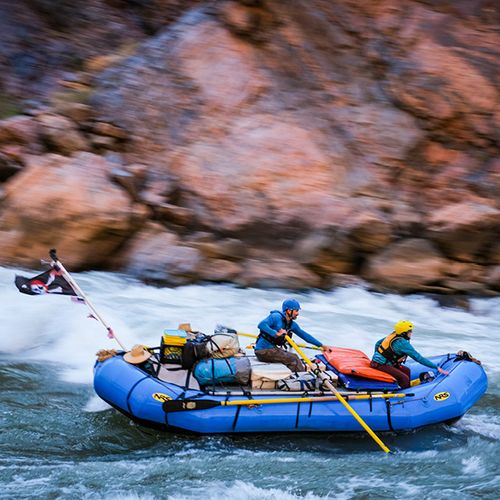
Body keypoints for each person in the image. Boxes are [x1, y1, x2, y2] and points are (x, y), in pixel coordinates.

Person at [255, 298, 331, 372]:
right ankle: (301, 380)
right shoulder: (275, 316)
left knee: (291, 356)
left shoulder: (291, 324)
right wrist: (276, 333)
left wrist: (321, 345)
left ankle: (293, 377)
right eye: (296, 311)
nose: (298, 313)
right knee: (294, 358)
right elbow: (261, 325)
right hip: (263, 351)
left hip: (272, 349)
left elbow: (305, 336)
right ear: (289, 310)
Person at [370, 320, 449, 389]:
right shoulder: (402, 343)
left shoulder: (394, 335)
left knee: (406, 370)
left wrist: (378, 356)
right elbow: (418, 358)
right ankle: (403, 397)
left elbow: (377, 344)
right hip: (380, 364)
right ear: (404, 333)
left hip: (383, 362)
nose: (411, 332)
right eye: (410, 331)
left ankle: (404, 386)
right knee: (404, 378)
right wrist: (436, 367)